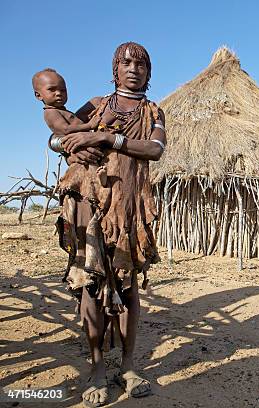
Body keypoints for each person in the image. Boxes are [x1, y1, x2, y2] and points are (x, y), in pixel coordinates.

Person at [48, 42, 166, 407]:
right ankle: (97, 369)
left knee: (129, 290)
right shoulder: (96, 105)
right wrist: (70, 147)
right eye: (125, 62)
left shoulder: (153, 111)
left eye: (141, 63)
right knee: (90, 285)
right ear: (114, 69)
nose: (133, 68)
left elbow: (155, 149)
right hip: (90, 206)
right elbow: (58, 135)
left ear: (149, 72)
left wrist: (106, 137)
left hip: (128, 210)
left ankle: (128, 368)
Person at [33, 68, 108, 187]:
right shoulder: (50, 113)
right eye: (51, 90)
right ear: (38, 95)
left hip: (81, 140)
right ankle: (100, 180)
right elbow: (65, 130)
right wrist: (90, 125)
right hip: (77, 143)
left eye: (63, 90)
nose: (58, 93)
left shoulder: (61, 111)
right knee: (88, 159)